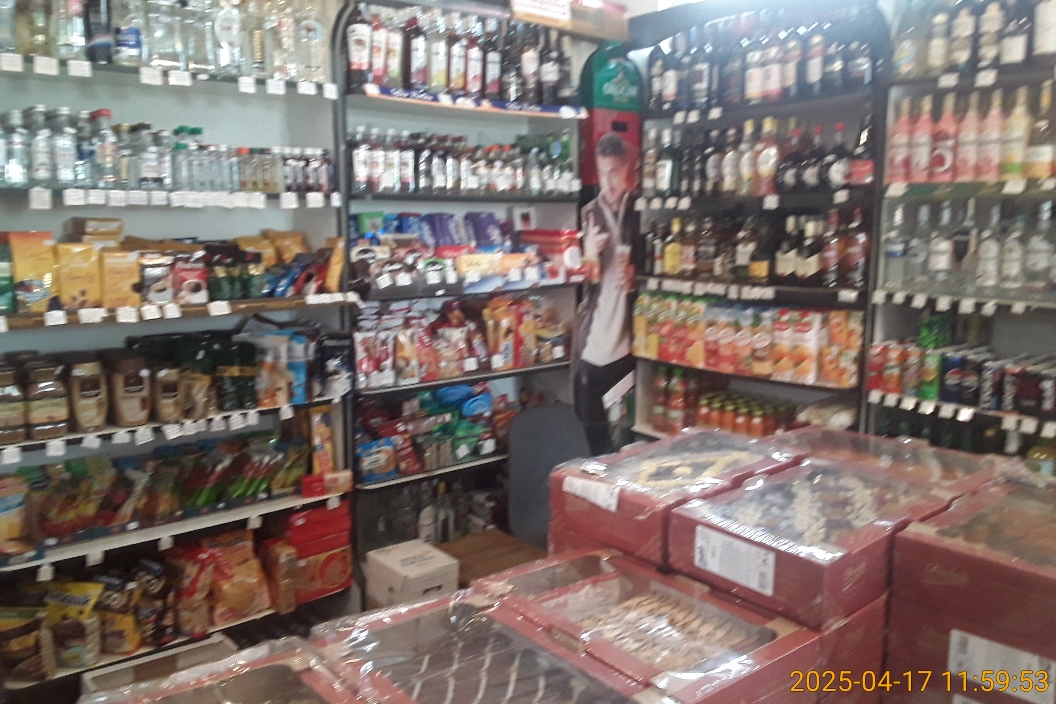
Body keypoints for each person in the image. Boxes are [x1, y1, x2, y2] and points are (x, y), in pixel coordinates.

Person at [574, 131, 638, 454]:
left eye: (614, 172)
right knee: (591, 445)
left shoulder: (640, 210)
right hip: (592, 348)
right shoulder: (589, 212)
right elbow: (584, 283)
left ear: (627, 170)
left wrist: (638, 276)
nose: (608, 182)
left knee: (623, 442)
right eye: (602, 173)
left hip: (627, 350)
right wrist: (588, 256)